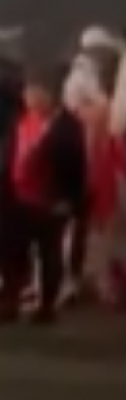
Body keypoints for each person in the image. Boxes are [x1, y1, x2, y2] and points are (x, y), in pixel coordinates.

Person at [0, 70, 87, 325]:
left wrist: (70, 200)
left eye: (34, 94)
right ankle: (10, 300)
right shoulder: (20, 121)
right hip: (15, 200)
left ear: (49, 96)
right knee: (12, 252)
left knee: (49, 254)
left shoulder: (68, 127)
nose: (29, 99)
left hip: (50, 201)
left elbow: (76, 168)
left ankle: (46, 306)